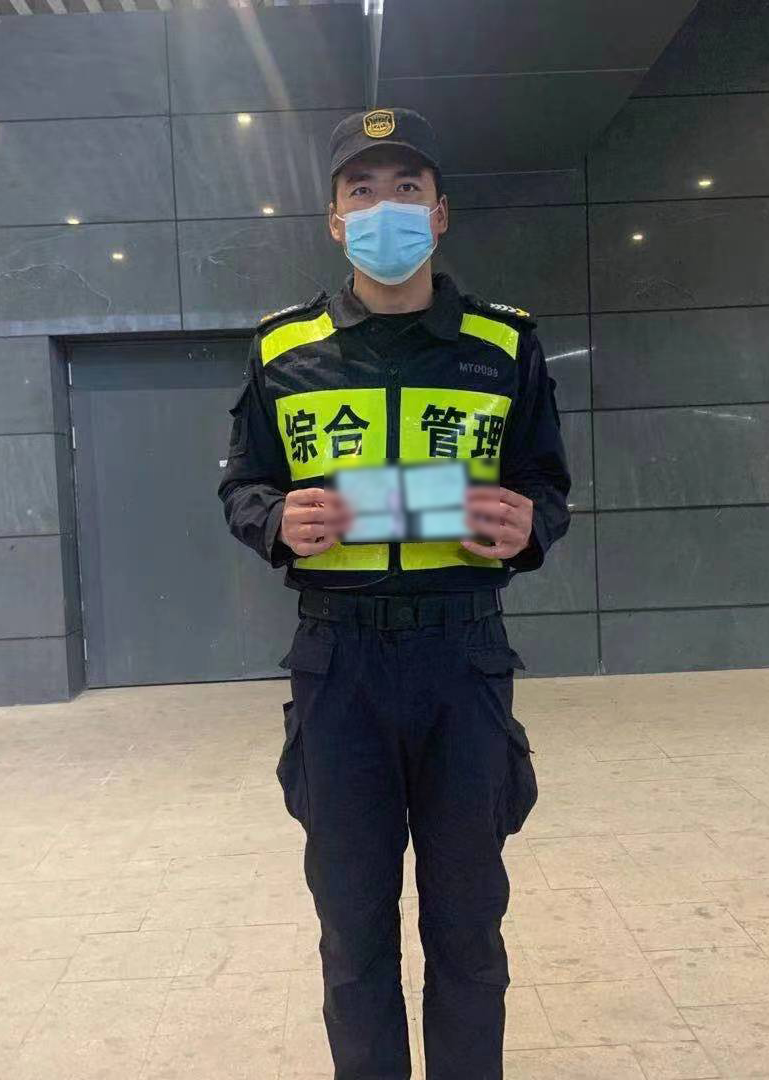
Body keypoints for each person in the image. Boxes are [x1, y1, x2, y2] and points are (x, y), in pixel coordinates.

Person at [217, 106, 571, 1080]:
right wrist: (276, 520)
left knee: (468, 929)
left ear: (440, 212)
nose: (386, 208)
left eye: (407, 188)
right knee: (353, 931)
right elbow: (243, 486)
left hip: (463, 660)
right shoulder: (282, 349)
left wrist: (530, 525)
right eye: (362, 191)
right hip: (340, 668)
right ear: (336, 221)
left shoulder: (503, 345)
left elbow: (547, 484)